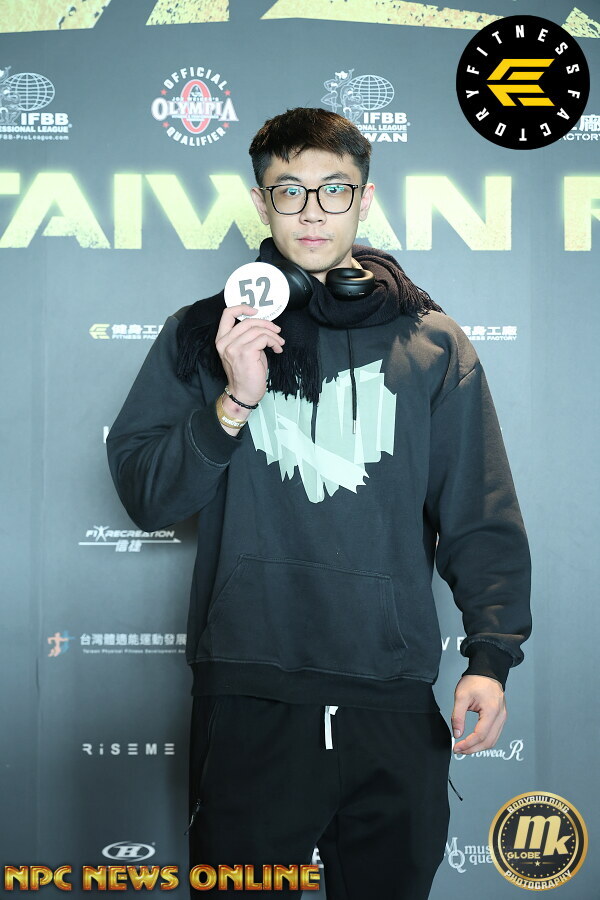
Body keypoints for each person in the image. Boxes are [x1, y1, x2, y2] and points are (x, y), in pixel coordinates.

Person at [106, 107, 532, 898]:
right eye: (289, 191)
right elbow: (145, 497)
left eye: (333, 190)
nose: (311, 212)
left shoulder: (432, 343)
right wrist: (234, 400)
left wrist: (490, 656)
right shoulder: (204, 335)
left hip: (390, 700)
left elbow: (479, 513)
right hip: (251, 695)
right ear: (261, 203)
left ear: (363, 200)